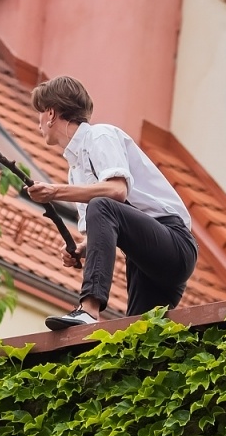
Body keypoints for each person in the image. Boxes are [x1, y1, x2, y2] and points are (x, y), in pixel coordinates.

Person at [23, 76, 198, 330]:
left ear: (50, 113)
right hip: (144, 258)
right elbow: (105, 226)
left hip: (174, 244)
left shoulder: (100, 136)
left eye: (39, 113)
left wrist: (55, 192)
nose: (38, 122)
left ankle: (90, 309)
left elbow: (116, 191)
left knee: (101, 204)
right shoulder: (75, 170)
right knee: (139, 337)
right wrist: (82, 247)